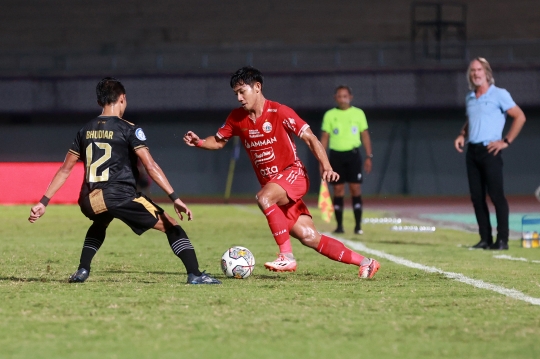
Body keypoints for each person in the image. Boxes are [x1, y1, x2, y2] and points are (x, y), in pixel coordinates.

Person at [183, 67, 380, 279]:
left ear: (257, 87)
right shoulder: (236, 118)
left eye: (242, 91)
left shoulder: (280, 112)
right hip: (277, 187)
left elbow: (311, 138)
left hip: (293, 175)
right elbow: (219, 141)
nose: (239, 98)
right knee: (309, 236)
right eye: (236, 94)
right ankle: (367, 263)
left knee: (263, 197)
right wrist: (200, 142)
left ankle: (286, 256)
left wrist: (327, 166)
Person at [28, 77, 221, 284]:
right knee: (172, 226)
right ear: (122, 98)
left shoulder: (84, 130)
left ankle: (82, 270)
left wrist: (43, 202)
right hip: (120, 196)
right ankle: (195, 274)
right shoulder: (129, 129)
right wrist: (174, 197)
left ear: (99, 102)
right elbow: (151, 165)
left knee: (101, 221)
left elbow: (64, 170)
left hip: (89, 200)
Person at [454, 58, 526, 250]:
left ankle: (502, 240)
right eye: (472, 71)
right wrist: (462, 134)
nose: (476, 73)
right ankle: (485, 239)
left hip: (490, 150)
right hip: (473, 151)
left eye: (479, 70)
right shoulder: (470, 97)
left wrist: (506, 141)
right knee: (477, 198)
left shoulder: (499, 94)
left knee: (496, 196)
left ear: (486, 72)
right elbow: (472, 121)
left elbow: (520, 116)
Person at [320, 85, 373, 234]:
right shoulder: (330, 115)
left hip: (353, 155)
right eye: (339, 96)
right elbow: (324, 137)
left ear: (350, 97)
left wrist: (369, 156)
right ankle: (339, 226)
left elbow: (365, 135)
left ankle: (358, 226)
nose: (342, 99)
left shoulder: (358, 113)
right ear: (335, 98)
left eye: (345, 96)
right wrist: (322, 160)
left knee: (355, 188)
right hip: (336, 155)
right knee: (338, 189)